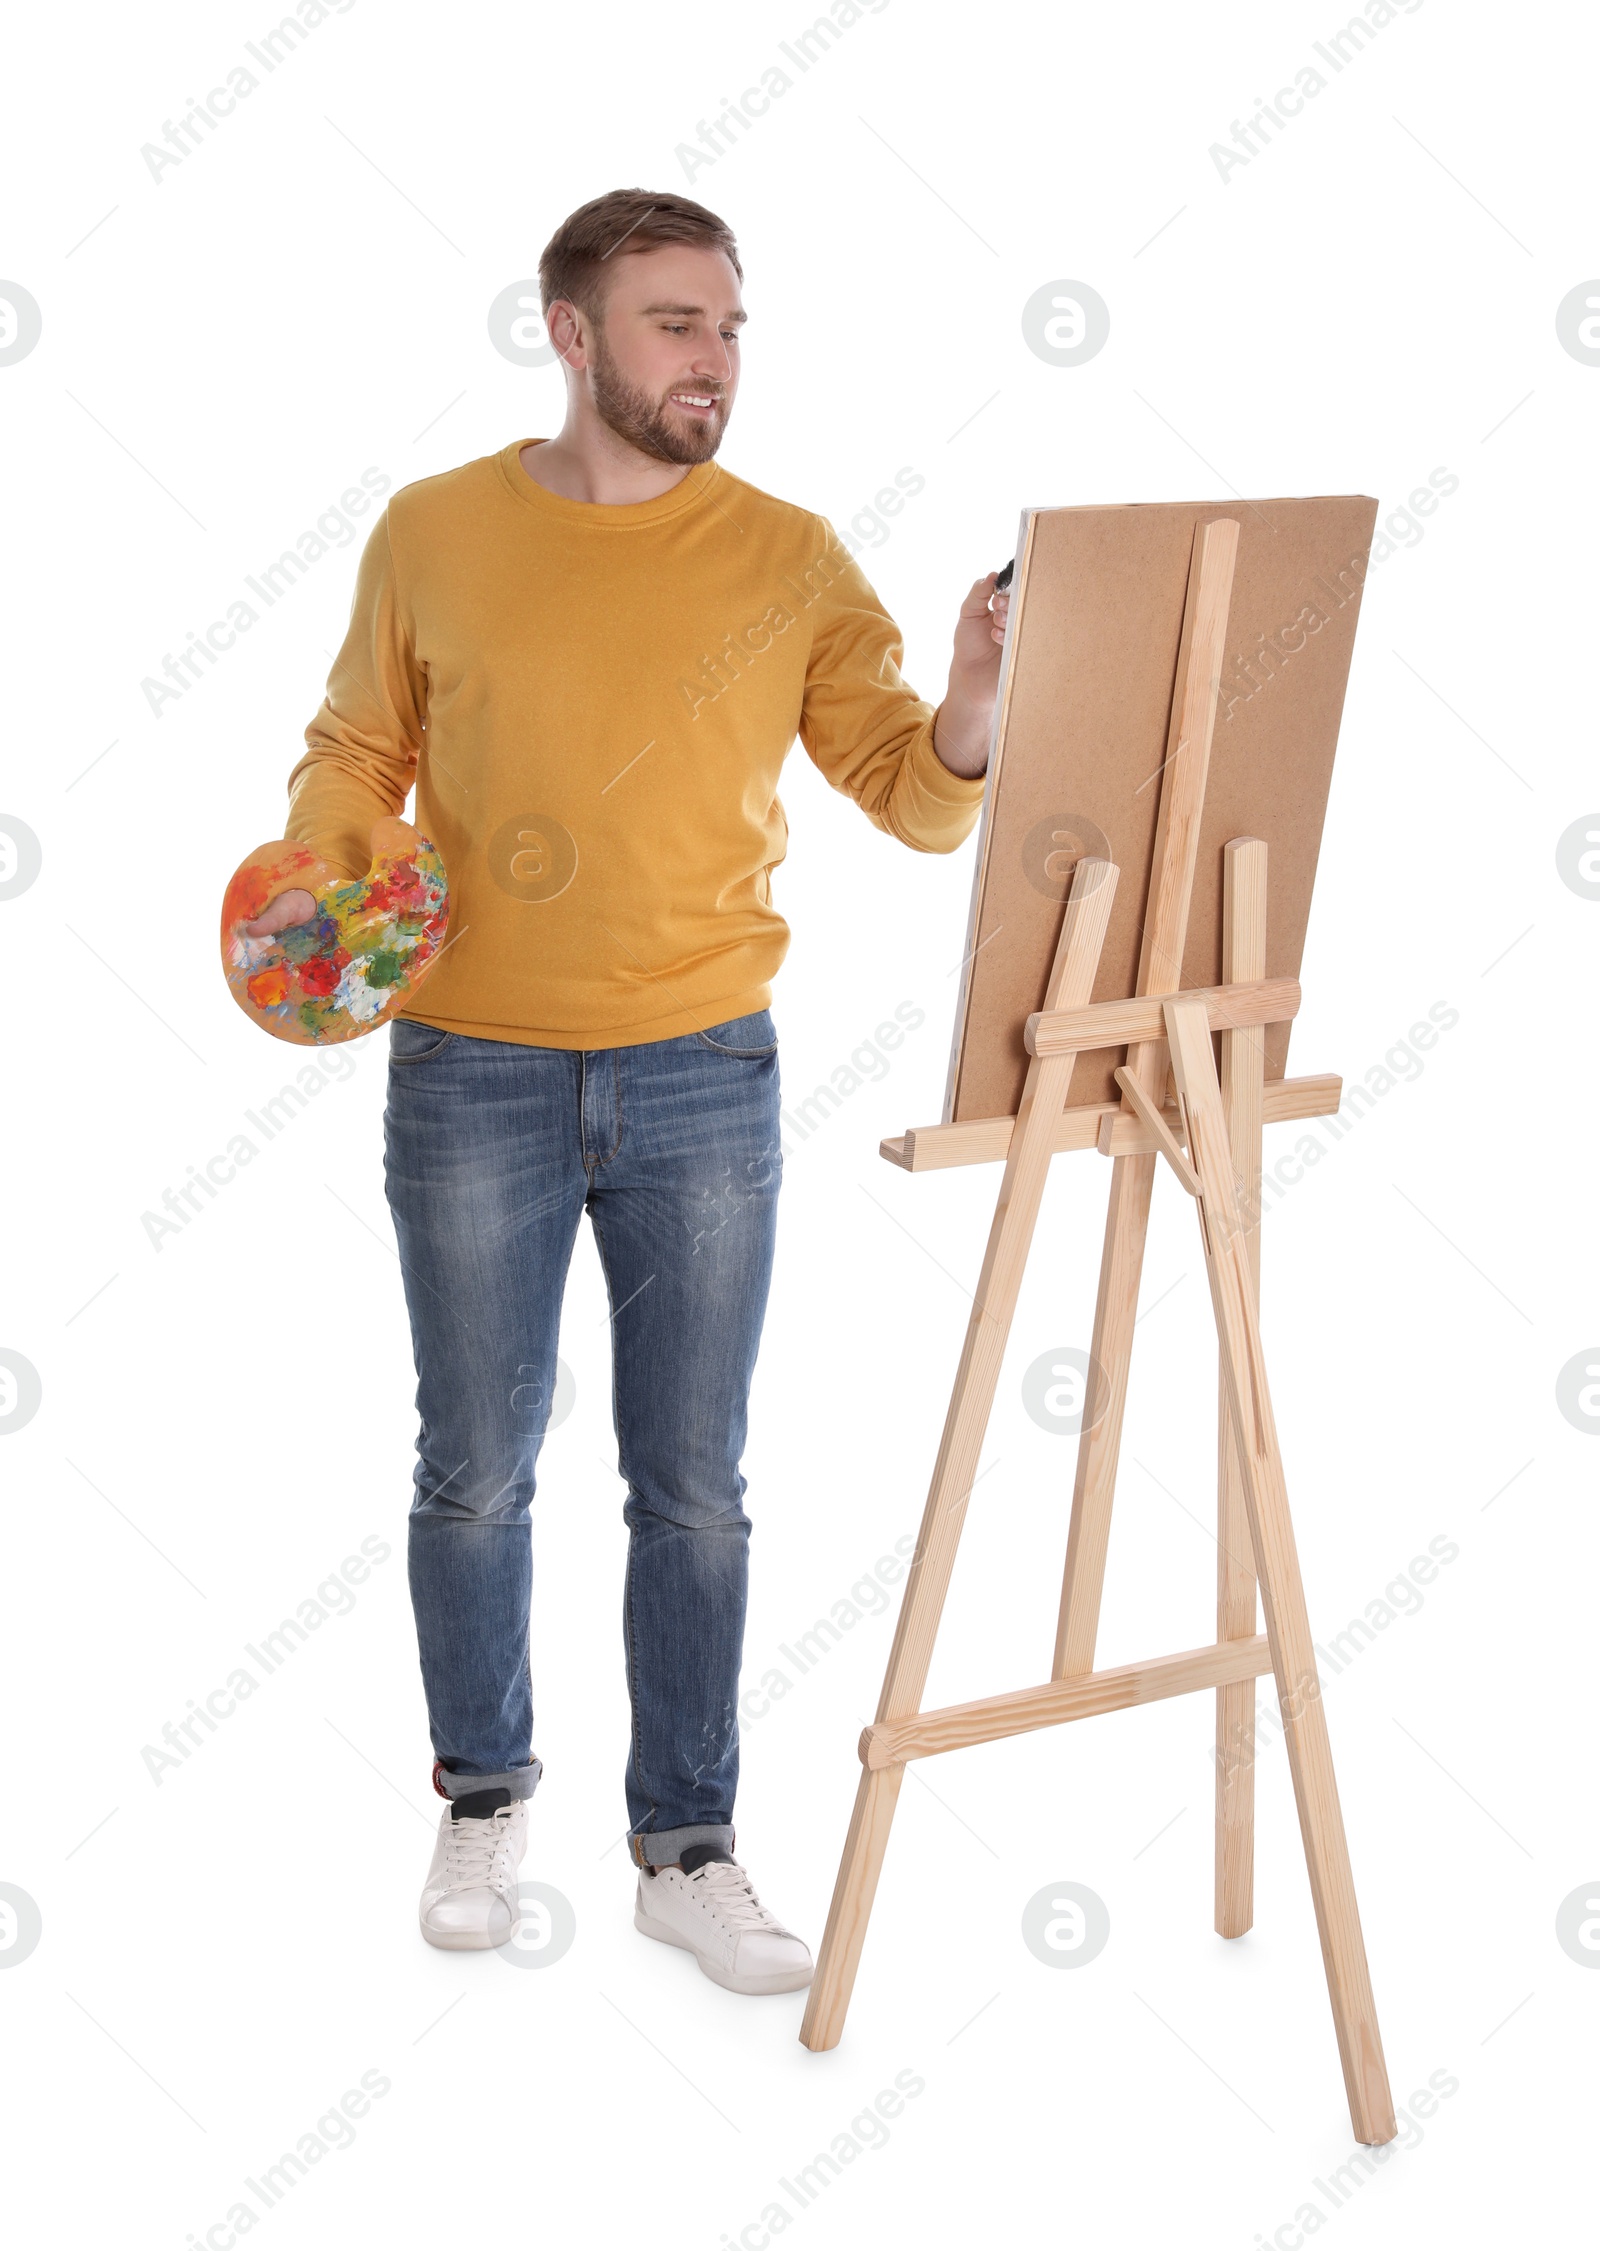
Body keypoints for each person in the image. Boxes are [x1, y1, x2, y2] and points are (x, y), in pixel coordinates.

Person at [241, 187, 1008, 1995]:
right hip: (470, 1068)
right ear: (570, 332)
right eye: (675, 324)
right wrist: (326, 880)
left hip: (700, 1074)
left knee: (695, 1488)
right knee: (477, 1469)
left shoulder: (793, 555)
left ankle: (689, 1846)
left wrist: (976, 695)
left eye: (731, 327)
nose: (713, 360)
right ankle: (486, 1795)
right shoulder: (434, 533)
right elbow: (358, 746)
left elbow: (907, 788)